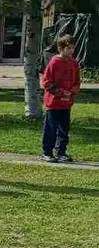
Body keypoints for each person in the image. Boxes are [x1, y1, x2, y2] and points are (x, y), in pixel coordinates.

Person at [41, 33, 81, 164]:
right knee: (51, 128)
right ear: (60, 48)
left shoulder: (74, 63)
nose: (71, 51)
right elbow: (46, 82)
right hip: (53, 103)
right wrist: (60, 92)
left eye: (72, 48)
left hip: (67, 103)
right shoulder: (54, 62)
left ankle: (61, 152)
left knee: (64, 129)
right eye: (68, 48)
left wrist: (72, 92)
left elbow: (77, 82)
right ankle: (47, 153)